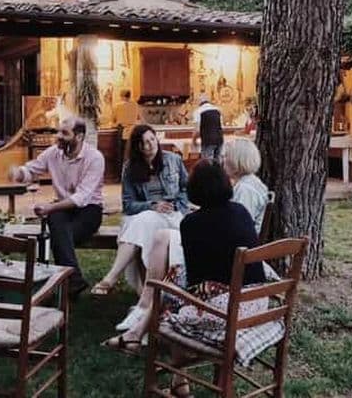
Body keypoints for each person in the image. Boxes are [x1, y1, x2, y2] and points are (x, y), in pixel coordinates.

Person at [102, 160, 265, 394]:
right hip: (258, 302)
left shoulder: (192, 224)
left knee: (169, 299)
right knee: (172, 285)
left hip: (229, 310)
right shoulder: (241, 212)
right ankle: (139, 340)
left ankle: (176, 376)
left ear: (195, 189)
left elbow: (195, 284)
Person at [111, 138, 270, 334]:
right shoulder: (239, 208)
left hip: (233, 300)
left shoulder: (243, 192)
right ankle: (140, 322)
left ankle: (144, 320)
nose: (224, 160)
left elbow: (196, 282)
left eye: (226, 157)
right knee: (165, 254)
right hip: (254, 294)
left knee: (167, 265)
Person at [91, 124, 189, 303]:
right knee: (144, 220)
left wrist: (179, 206)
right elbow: (128, 205)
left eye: (152, 139)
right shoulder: (130, 168)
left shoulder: (173, 160)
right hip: (147, 215)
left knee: (138, 224)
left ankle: (113, 278)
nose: (150, 145)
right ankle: (145, 296)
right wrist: (152, 205)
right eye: (144, 143)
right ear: (137, 147)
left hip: (172, 215)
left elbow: (186, 188)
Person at [8, 117, 105, 299]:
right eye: (58, 132)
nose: (58, 136)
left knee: (58, 230)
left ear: (79, 136)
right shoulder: (53, 153)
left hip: (89, 211)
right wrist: (18, 173)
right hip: (64, 209)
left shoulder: (95, 158)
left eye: (65, 133)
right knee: (57, 222)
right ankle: (73, 281)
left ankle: (66, 281)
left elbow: (81, 198)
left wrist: (50, 208)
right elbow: (32, 170)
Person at [223, 138, 270, 235]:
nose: (223, 160)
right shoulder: (251, 181)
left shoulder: (245, 189)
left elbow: (239, 225)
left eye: (226, 156)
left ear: (236, 160)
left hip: (243, 246)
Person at [191, 94, 223, 161]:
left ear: (199, 102)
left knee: (207, 162)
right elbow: (222, 127)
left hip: (207, 140)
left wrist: (193, 141)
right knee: (218, 162)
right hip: (219, 140)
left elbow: (197, 130)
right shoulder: (217, 110)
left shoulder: (198, 111)